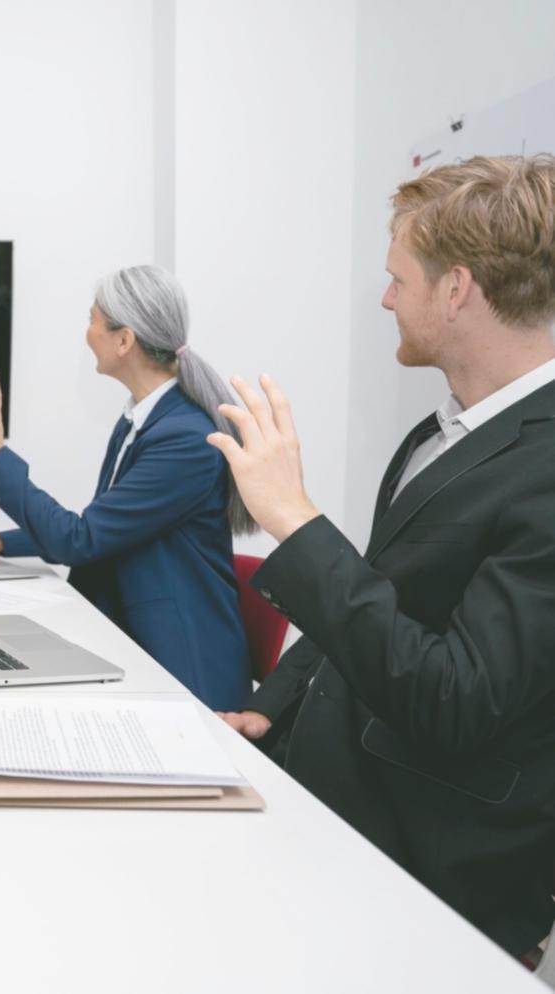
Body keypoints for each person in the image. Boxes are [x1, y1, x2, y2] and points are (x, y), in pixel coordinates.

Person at [210, 155, 555, 959]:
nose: (385, 297)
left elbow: (456, 698)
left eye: (400, 278)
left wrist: (296, 521)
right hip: (342, 823)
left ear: (457, 288)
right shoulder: (441, 432)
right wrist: (282, 698)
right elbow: (381, 594)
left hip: (439, 877)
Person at [0, 265, 253, 711]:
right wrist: (0, 542)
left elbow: (82, 539)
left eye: (92, 319)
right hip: (130, 637)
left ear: (124, 339)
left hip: (183, 671)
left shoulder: (184, 439)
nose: (87, 333)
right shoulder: (141, 421)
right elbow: (104, 530)